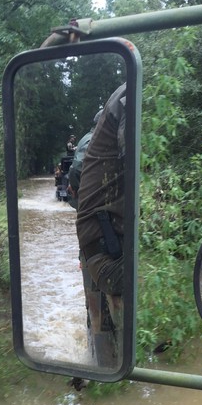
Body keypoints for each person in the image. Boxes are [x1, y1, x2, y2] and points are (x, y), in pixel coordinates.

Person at [75, 83, 126, 366]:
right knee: (103, 297)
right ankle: (109, 364)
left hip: (91, 234)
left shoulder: (89, 143)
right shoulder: (92, 145)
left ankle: (99, 360)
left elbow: (76, 181)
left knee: (94, 300)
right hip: (101, 234)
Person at [67, 110, 103, 211]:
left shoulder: (87, 137)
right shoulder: (93, 140)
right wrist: (78, 189)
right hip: (88, 200)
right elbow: (76, 168)